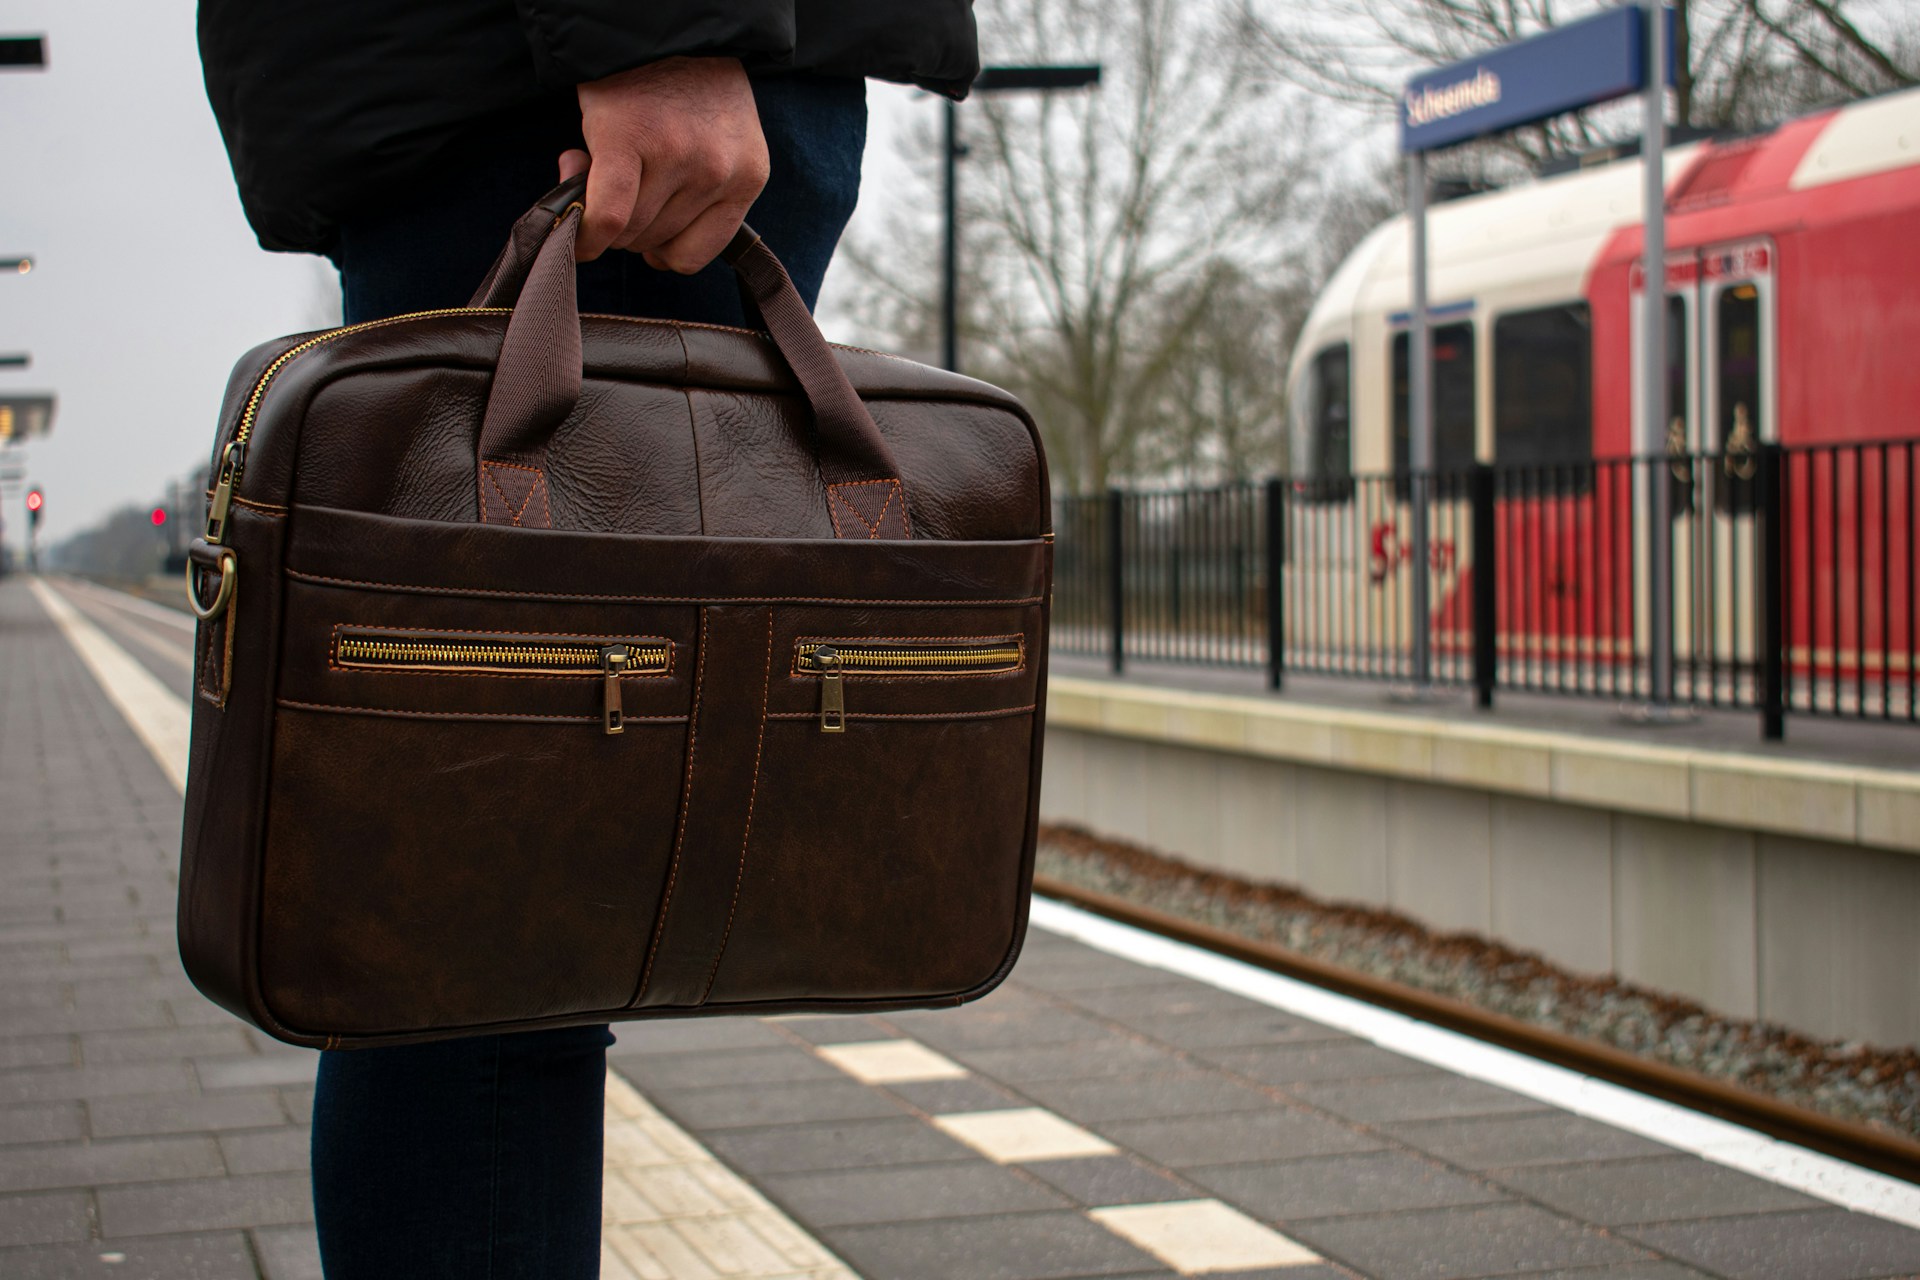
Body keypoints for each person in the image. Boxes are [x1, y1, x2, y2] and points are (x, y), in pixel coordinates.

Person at [196, 5, 979, 1276]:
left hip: (518, 66)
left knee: (464, 931)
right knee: (483, 949)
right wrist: (655, 30)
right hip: (581, 72)